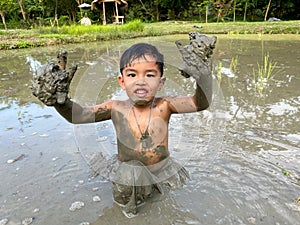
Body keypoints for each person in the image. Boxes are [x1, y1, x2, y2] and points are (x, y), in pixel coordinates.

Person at [42, 42, 213, 218]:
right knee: (129, 178)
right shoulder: (115, 108)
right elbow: (78, 116)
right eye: (132, 74)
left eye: (150, 75)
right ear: (122, 82)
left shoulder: (165, 105)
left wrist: (203, 76)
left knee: (163, 204)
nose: (141, 81)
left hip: (162, 170)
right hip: (130, 175)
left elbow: (199, 103)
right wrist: (59, 101)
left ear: (160, 83)